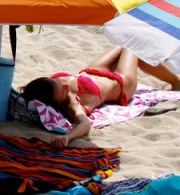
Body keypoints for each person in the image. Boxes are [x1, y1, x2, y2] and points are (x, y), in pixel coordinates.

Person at [22, 46, 180, 148]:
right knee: (135, 46)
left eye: (56, 81)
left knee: (124, 42)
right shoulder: (72, 104)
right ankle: (176, 81)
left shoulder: (46, 88)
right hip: (121, 84)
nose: (64, 84)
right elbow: (84, 124)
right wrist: (68, 138)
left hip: (94, 71)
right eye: (62, 89)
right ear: (57, 102)